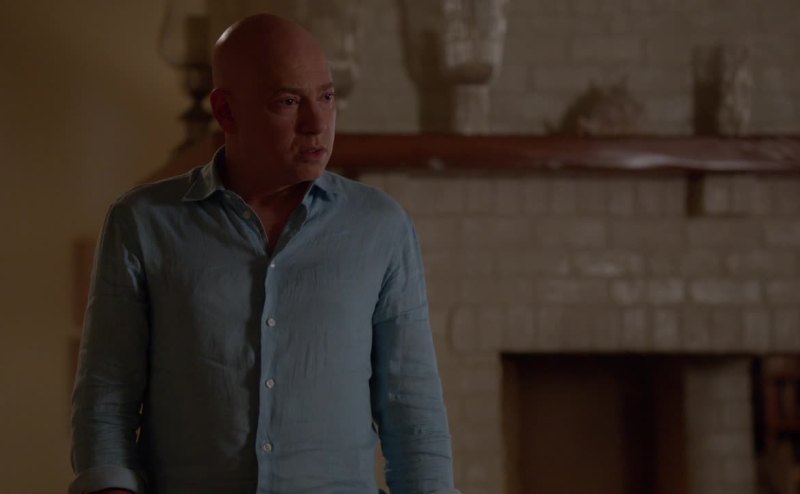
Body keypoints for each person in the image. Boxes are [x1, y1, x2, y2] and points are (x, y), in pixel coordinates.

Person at [70, 13, 458, 494]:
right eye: (288, 101)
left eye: (327, 97)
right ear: (226, 112)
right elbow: (106, 396)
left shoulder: (381, 226)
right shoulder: (143, 222)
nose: (317, 124)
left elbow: (412, 407)